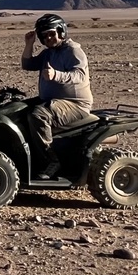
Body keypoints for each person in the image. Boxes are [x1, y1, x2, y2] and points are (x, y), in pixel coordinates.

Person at [20, 13, 93, 179]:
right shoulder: (49, 53)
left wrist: (56, 75)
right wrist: (29, 44)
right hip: (52, 100)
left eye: (52, 34)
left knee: (39, 114)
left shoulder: (73, 50)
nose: (48, 38)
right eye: (44, 36)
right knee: (18, 109)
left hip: (75, 103)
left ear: (61, 32)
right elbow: (28, 65)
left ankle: (50, 161)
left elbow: (79, 76)